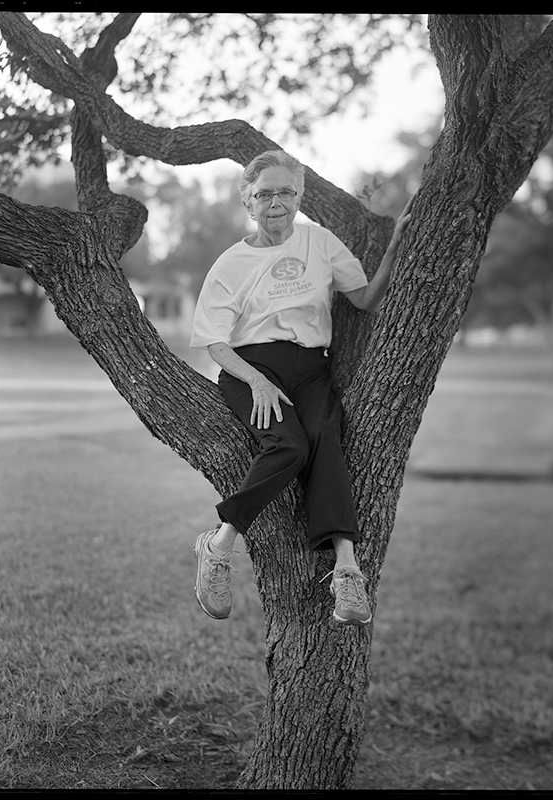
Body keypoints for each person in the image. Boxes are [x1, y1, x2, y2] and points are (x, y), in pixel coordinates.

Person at [189, 149, 413, 626]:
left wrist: (395, 248)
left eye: (286, 192)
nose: (276, 201)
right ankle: (220, 544)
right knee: (288, 447)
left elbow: (365, 298)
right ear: (248, 201)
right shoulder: (230, 264)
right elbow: (214, 343)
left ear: (300, 198)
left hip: (312, 368)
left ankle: (348, 572)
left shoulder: (320, 242)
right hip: (249, 367)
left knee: (326, 439)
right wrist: (257, 381)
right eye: (264, 193)